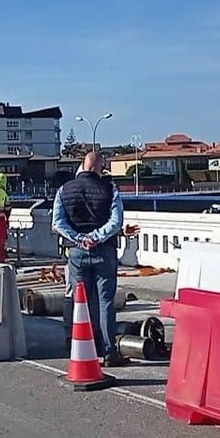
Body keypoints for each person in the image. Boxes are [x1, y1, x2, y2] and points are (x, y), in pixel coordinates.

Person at [53, 151, 127, 366]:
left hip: (77, 252)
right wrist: (95, 237)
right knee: (105, 302)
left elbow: (58, 223)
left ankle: (83, 347)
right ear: (99, 168)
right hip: (104, 250)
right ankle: (110, 351)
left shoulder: (64, 190)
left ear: (83, 166)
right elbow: (116, 221)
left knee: (81, 302)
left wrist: (79, 238)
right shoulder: (109, 189)